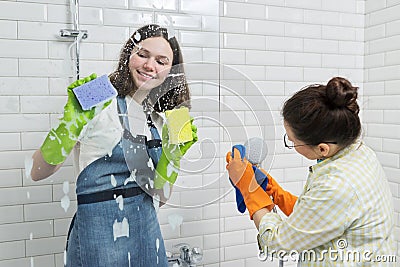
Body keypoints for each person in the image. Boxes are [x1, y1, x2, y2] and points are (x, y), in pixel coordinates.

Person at [30, 24, 197, 267]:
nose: (150, 65)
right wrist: (68, 126)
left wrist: (174, 155)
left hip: (147, 239)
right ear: (128, 55)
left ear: (171, 71)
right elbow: (36, 172)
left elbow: (159, 198)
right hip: (98, 241)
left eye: (162, 61)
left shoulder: (166, 117)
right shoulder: (97, 95)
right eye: (142, 54)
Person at [226, 77, 396, 266]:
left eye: (292, 141)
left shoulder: (336, 185)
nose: (291, 143)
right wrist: (277, 193)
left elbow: (276, 244)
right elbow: (323, 216)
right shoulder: (359, 152)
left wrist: (249, 190)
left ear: (323, 149)